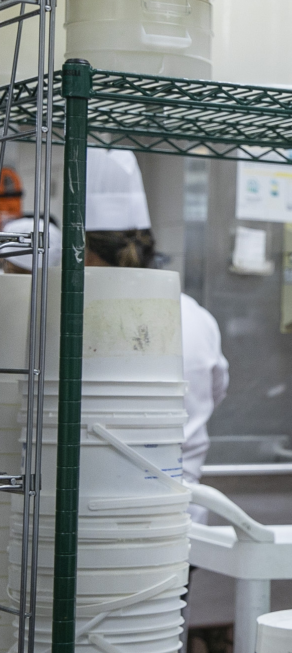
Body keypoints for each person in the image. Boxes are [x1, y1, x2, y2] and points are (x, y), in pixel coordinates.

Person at [82, 148, 229, 484]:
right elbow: (216, 390)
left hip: (95, 501)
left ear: (87, 253)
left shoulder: (77, 316)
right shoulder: (195, 314)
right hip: (184, 505)